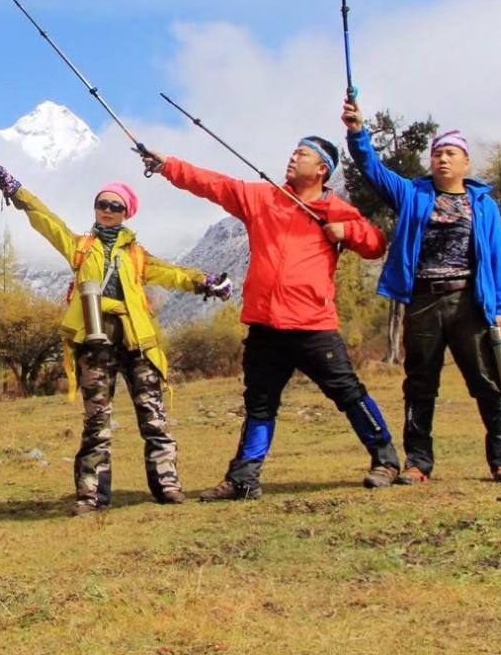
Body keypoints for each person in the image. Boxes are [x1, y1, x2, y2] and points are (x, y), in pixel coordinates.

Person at [139, 134, 401, 498]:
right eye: (293, 152)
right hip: (265, 325)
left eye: (302, 154)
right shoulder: (263, 198)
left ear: (321, 169)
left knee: (348, 394)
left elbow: (375, 245)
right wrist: (167, 165)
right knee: (260, 403)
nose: (292, 158)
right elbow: (214, 184)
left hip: (313, 326)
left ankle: (386, 460)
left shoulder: (336, 209)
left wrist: (347, 230)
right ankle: (244, 479)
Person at [0, 163, 231, 514]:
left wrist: (205, 282)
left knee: (154, 417)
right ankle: (91, 496)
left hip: (138, 342)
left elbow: (173, 274)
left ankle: (167, 485)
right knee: (96, 421)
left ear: (126, 212)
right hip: (94, 340)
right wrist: (15, 189)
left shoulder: (137, 255)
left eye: (115, 205)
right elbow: (46, 219)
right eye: (102, 203)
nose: (107, 210)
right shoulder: (79, 247)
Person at [344, 101, 501, 483]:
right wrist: (357, 133)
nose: (442, 159)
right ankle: (418, 462)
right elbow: (373, 169)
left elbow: (497, 258)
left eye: (451, 153)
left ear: (466, 163)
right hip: (423, 300)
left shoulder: (484, 205)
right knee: (420, 382)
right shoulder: (412, 194)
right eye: (437, 153)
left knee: (487, 380)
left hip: (470, 300)